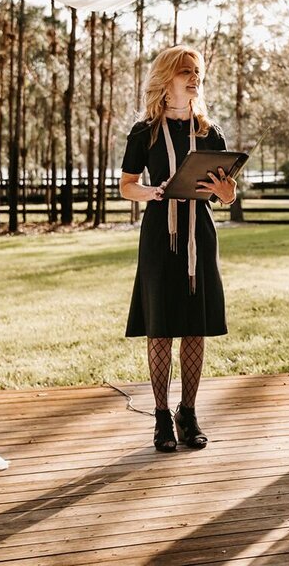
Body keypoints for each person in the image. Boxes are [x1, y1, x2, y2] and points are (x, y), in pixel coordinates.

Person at [119, 45, 237, 452]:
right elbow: (126, 184)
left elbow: (227, 193)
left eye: (197, 71)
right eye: (185, 70)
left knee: (194, 325)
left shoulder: (209, 131)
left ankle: (188, 413)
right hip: (158, 235)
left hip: (198, 235)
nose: (193, 77)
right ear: (166, 77)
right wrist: (151, 192)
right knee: (161, 326)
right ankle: (161, 418)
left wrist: (226, 192)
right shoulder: (144, 131)